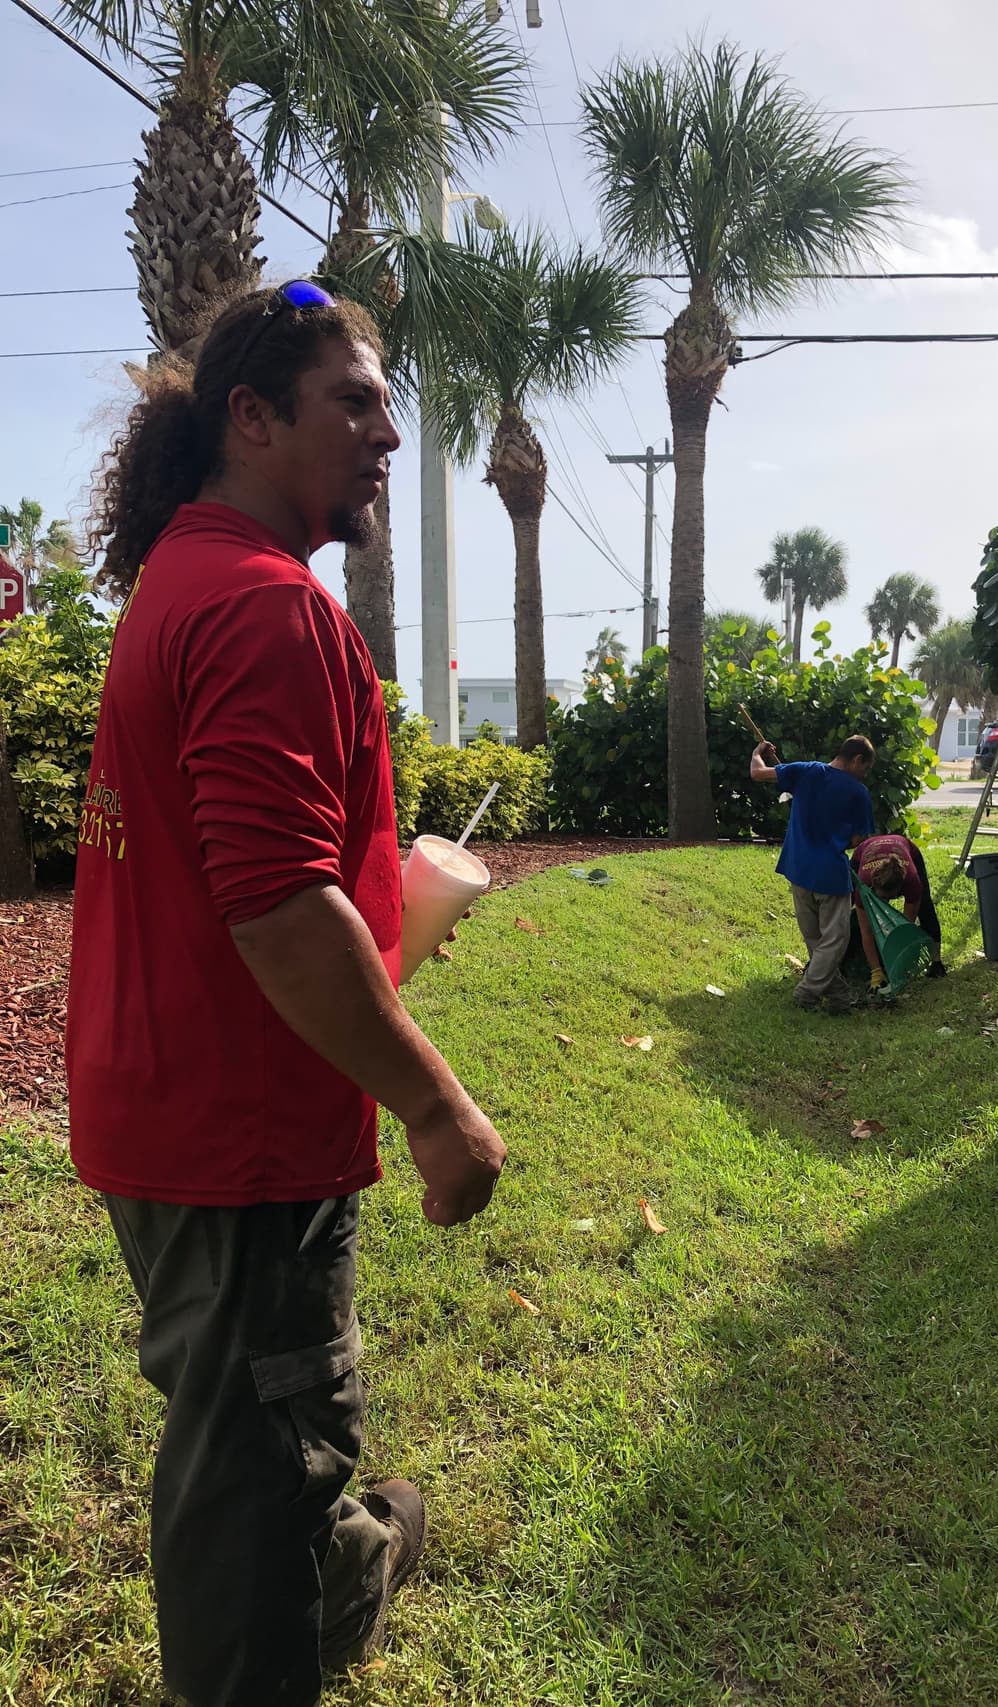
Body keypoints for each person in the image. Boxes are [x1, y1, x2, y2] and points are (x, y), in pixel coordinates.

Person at [66, 280, 507, 1707]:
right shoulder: (264, 608)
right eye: (356, 401)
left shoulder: (180, 583)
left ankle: (354, 1546)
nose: (389, 431)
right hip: (241, 1134)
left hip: (170, 1104)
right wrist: (438, 1108)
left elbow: (235, 877)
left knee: (248, 1423)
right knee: (249, 1480)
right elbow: (274, 908)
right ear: (250, 420)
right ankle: (311, 1578)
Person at [750, 735, 877, 1012]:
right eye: (865, 768)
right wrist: (835, 840)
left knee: (816, 940)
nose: (864, 775)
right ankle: (806, 994)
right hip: (830, 874)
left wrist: (757, 751)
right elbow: (857, 839)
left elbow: (757, 772)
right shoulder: (858, 793)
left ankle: (839, 997)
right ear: (857, 760)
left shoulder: (805, 771)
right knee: (834, 941)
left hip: (798, 868)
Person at [851, 831, 946, 989]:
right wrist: (876, 971)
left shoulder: (912, 882)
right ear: (873, 887)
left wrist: (900, 963)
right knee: (845, 903)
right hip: (863, 851)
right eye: (880, 898)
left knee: (925, 906)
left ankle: (937, 963)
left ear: (900, 889)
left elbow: (905, 929)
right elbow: (866, 931)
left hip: (906, 847)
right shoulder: (864, 884)